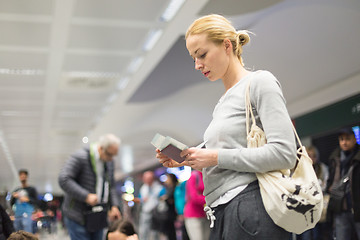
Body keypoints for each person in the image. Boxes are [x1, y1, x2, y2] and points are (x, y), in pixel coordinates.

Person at [156, 14, 297, 240]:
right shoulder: (223, 102)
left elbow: (284, 154)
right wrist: (189, 160)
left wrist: (214, 157)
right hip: (223, 213)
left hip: (252, 208)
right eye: (194, 58)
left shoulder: (260, 82)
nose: (197, 65)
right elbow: (227, 160)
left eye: (202, 55)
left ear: (227, 45)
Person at [58, 133, 122, 240]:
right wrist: (86, 196)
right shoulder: (80, 157)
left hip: (97, 215)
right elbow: (64, 179)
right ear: (101, 148)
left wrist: (114, 206)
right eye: (110, 155)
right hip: (77, 215)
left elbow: (111, 186)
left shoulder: (109, 162)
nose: (111, 159)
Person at [326, 127, 360, 240]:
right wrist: (330, 188)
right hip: (340, 208)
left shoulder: (358, 158)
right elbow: (330, 181)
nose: (344, 142)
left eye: (347, 139)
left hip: (357, 207)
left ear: (354, 139)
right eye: (341, 139)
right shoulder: (334, 158)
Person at [298, 145, 329, 240]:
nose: (312, 158)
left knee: (318, 234)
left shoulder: (322, 168)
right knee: (306, 234)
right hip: (305, 206)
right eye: (309, 155)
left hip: (319, 205)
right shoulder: (300, 169)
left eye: (314, 156)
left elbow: (325, 184)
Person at [136, 171, 163, 240]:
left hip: (155, 213)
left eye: (149, 178)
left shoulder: (159, 188)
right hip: (145, 213)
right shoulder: (143, 188)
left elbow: (163, 199)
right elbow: (140, 199)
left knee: (155, 232)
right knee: (143, 231)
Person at [10, 169, 39, 233]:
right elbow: (11, 203)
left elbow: (37, 202)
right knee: (18, 234)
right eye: (21, 176)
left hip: (27, 215)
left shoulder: (31, 189)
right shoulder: (17, 190)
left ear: (26, 177)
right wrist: (13, 197)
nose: (22, 178)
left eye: (24, 176)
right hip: (17, 215)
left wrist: (27, 199)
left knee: (27, 233)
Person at [184, 170, 209, 240]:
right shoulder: (194, 176)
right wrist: (210, 199)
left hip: (206, 214)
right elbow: (194, 197)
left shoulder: (207, 175)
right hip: (193, 215)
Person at [152, 173, 178, 240]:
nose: (166, 180)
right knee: (169, 231)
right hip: (168, 212)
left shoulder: (174, 187)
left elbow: (170, 198)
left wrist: (166, 198)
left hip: (172, 212)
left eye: (167, 178)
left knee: (172, 231)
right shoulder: (168, 188)